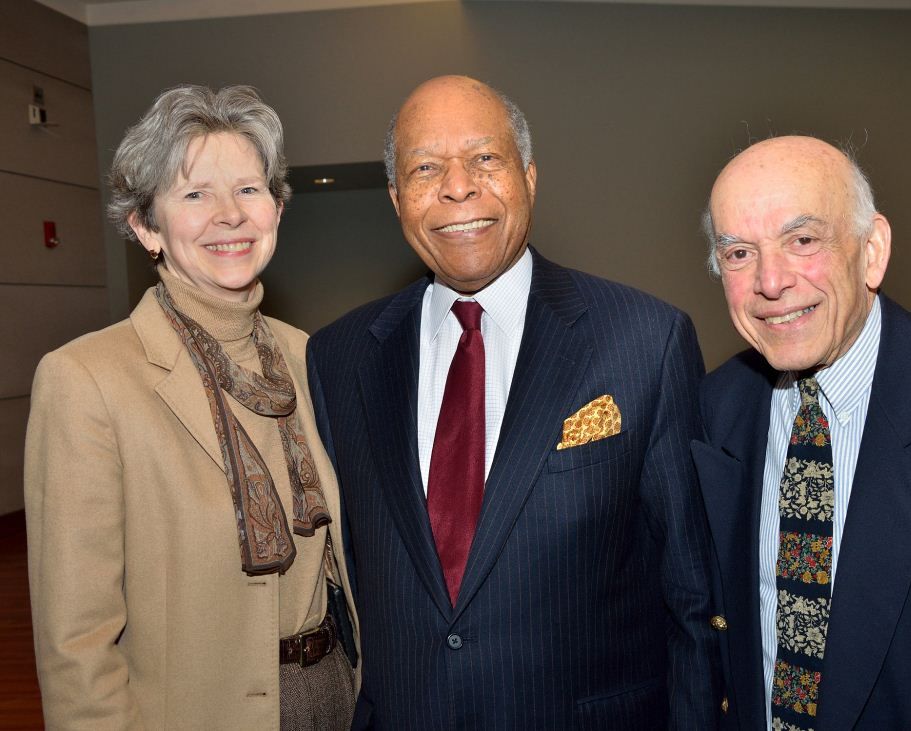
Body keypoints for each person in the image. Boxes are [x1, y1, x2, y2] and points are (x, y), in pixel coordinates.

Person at [307, 75, 720, 729]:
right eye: (425, 168)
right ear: (396, 198)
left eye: (484, 158)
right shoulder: (339, 358)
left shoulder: (646, 340)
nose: (458, 186)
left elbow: (696, 602)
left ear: (529, 176)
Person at [24, 85, 357, 730]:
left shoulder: (311, 359)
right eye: (195, 193)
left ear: (277, 211)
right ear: (145, 226)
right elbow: (75, 643)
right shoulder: (85, 380)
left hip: (338, 700)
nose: (229, 215)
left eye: (250, 190)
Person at [693, 135, 911, 730]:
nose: (771, 282)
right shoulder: (710, 414)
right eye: (739, 254)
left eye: (802, 241)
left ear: (872, 251)